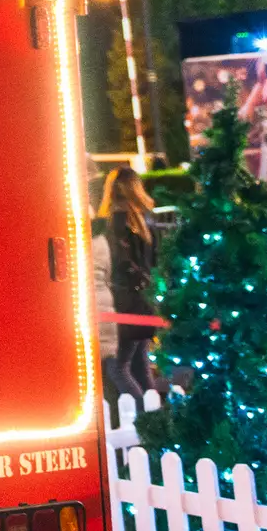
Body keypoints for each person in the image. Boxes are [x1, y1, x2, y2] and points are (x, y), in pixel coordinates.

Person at [100, 167, 164, 404]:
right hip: (146, 299)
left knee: (118, 367)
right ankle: (155, 416)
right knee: (140, 365)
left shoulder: (116, 220)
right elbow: (156, 259)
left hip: (126, 301)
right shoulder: (146, 219)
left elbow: (119, 262)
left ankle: (141, 416)